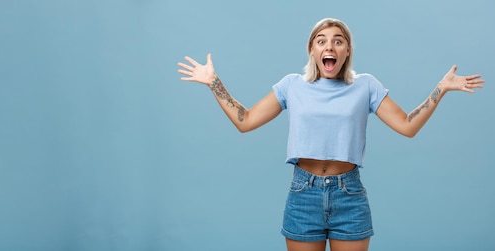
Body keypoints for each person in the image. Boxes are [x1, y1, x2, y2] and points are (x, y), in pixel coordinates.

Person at [176, 17, 485, 251]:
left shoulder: (365, 85)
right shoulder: (291, 85)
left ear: (347, 49)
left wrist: (440, 89)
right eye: (321, 40)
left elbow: (407, 126)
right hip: (303, 194)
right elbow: (244, 121)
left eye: (338, 41)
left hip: (348, 195)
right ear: (312, 49)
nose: (329, 46)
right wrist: (214, 83)